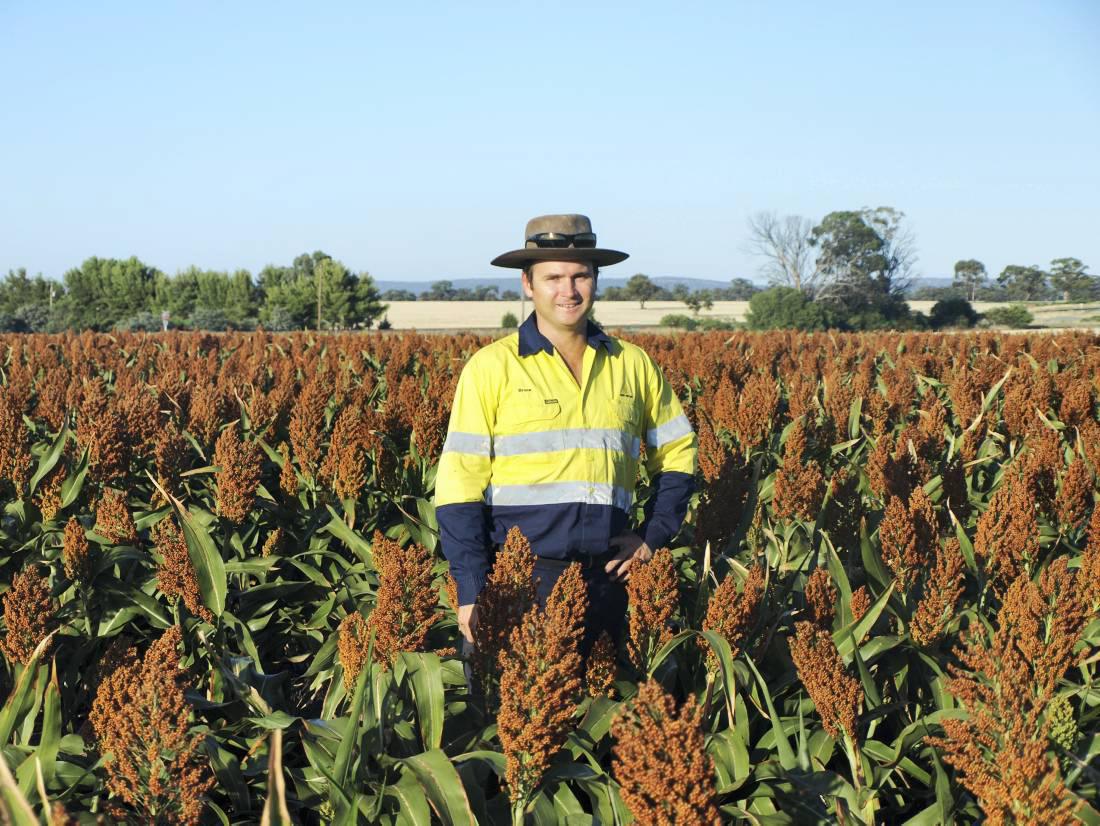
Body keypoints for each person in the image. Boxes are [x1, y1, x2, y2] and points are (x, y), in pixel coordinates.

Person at [434, 214, 697, 653]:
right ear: (527, 284)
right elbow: (459, 485)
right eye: (553, 277)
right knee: (515, 718)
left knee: (604, 715)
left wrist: (652, 537)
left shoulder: (633, 364)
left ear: (596, 280)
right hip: (518, 583)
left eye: (580, 276)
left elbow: (679, 452)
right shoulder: (491, 368)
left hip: (611, 580)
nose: (568, 290)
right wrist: (471, 586)